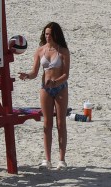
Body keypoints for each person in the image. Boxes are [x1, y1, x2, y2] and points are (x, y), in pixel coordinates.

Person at [18, 22, 71, 169]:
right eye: (46, 34)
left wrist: (56, 82)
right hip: (45, 88)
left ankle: (61, 159)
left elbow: (66, 74)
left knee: (61, 124)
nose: (48, 36)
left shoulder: (63, 51)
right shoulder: (40, 50)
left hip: (60, 88)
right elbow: (35, 72)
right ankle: (47, 159)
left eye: (50, 34)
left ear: (56, 35)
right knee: (47, 124)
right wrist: (26, 75)